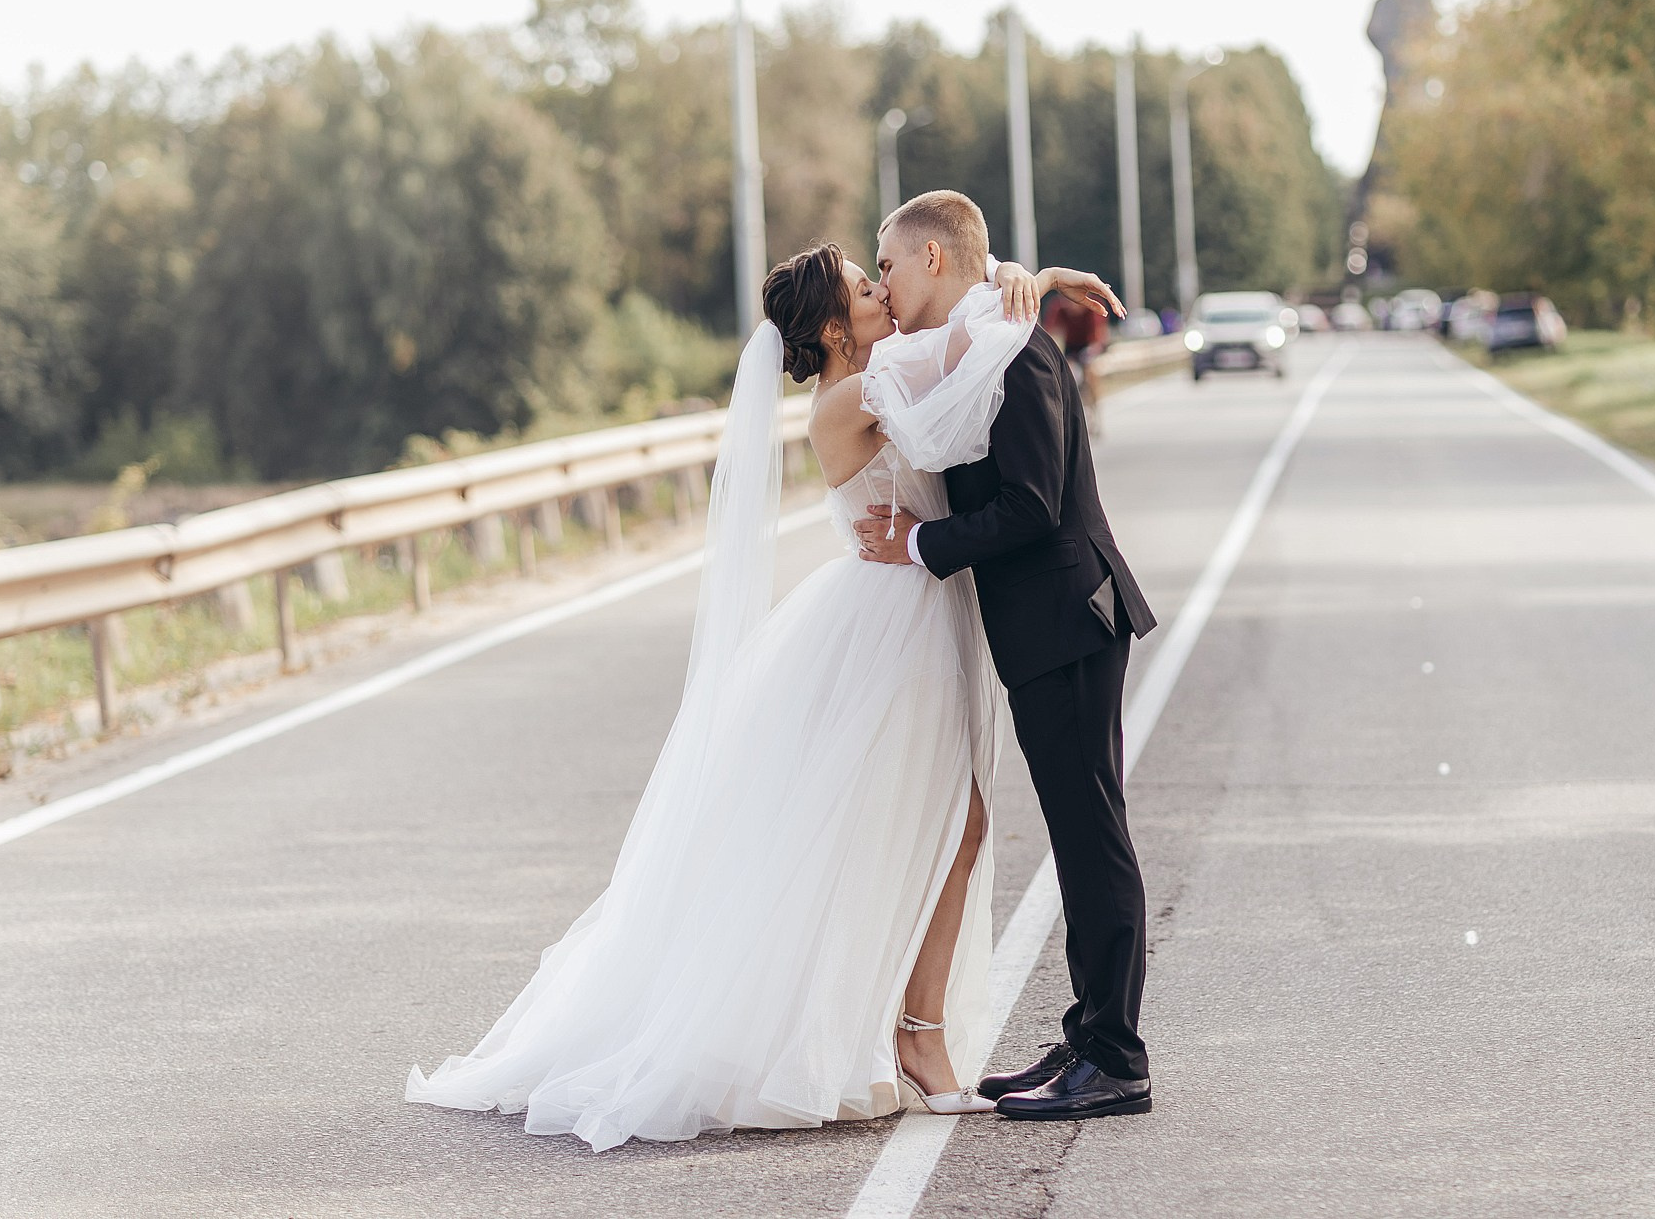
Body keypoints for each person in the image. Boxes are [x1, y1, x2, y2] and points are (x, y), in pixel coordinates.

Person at [406, 241, 1112, 1148]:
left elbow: (971, 357)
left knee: (937, 825)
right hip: (886, 626)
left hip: (922, 614)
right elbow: (974, 347)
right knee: (946, 824)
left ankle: (899, 1027)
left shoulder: (880, 371)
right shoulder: (853, 395)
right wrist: (1033, 282)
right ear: (831, 327)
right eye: (866, 286)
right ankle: (913, 1037)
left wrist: (1016, 280)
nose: (883, 291)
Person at [857, 190, 1159, 1122]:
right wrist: (1019, 269)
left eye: (890, 261)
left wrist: (917, 542)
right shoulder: (986, 333)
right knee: (1078, 836)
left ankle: (1115, 1057)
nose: (883, 279)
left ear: (934, 262)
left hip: (1068, 619)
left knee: (1091, 836)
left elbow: (1030, 505)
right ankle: (1087, 1030)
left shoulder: (1017, 352)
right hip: (1045, 629)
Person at [1044, 293, 1109, 433]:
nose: (1071, 308)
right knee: (1068, 373)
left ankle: (1095, 407)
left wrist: (1091, 353)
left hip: (1091, 344)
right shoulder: (1059, 307)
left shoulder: (1092, 306)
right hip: (1071, 345)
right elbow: (1050, 332)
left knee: (1091, 372)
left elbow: (1098, 335)